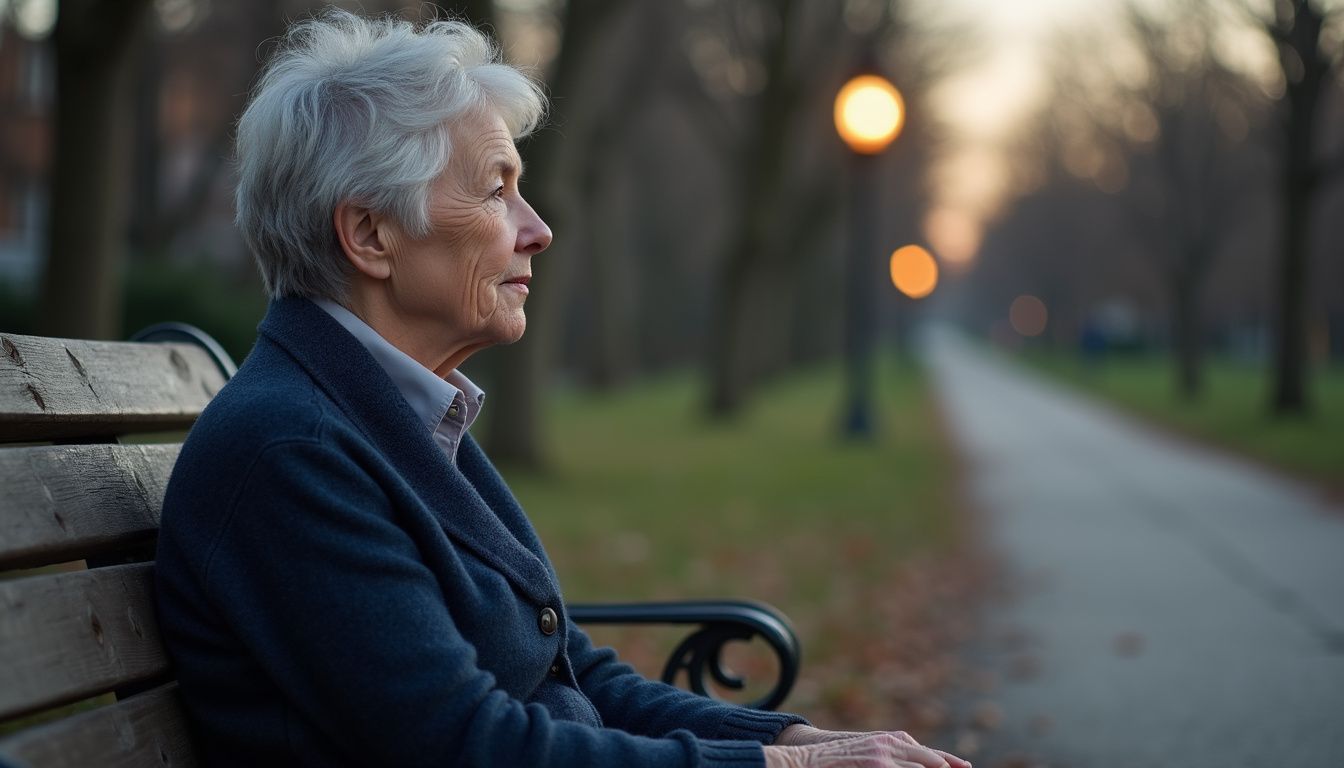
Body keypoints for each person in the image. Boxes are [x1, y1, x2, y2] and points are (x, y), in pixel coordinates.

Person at [154, 10, 972, 768]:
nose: (537, 228)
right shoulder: (292, 453)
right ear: (370, 234)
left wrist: (794, 738)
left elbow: (567, 669)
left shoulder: (392, 415)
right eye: (495, 188)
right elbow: (470, 746)